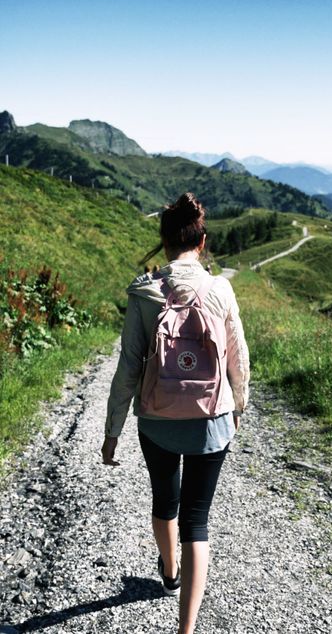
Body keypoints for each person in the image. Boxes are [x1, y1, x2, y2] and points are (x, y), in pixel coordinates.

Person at [101, 192, 250, 634]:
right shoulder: (221, 288)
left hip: (158, 421)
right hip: (212, 420)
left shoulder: (145, 291)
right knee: (197, 521)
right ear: (201, 243)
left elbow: (128, 366)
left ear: (163, 242)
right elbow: (237, 359)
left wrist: (112, 431)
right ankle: (186, 630)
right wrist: (237, 407)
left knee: (165, 502)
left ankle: (168, 573)